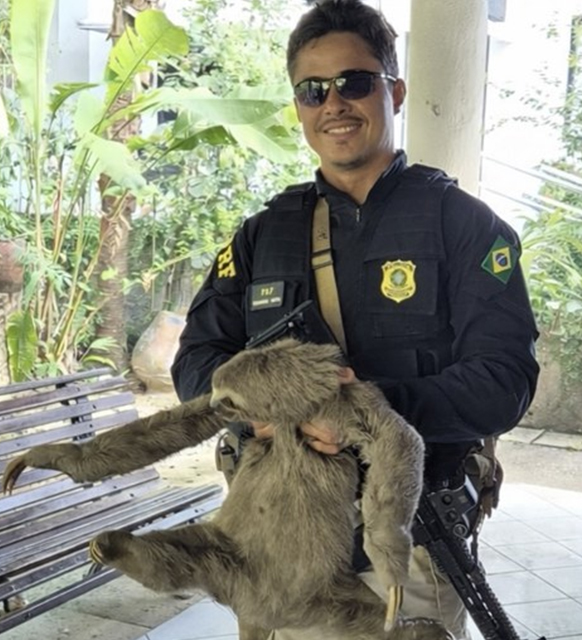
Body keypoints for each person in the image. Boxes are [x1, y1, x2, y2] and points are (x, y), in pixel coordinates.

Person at [171, 0, 540, 637]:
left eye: (355, 83)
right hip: (283, 544)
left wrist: (366, 414)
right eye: (313, 90)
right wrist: (263, 405)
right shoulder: (263, 236)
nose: (334, 104)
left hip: (414, 545)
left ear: (393, 90)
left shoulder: (465, 227)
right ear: (299, 108)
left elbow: (504, 382)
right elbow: (196, 365)